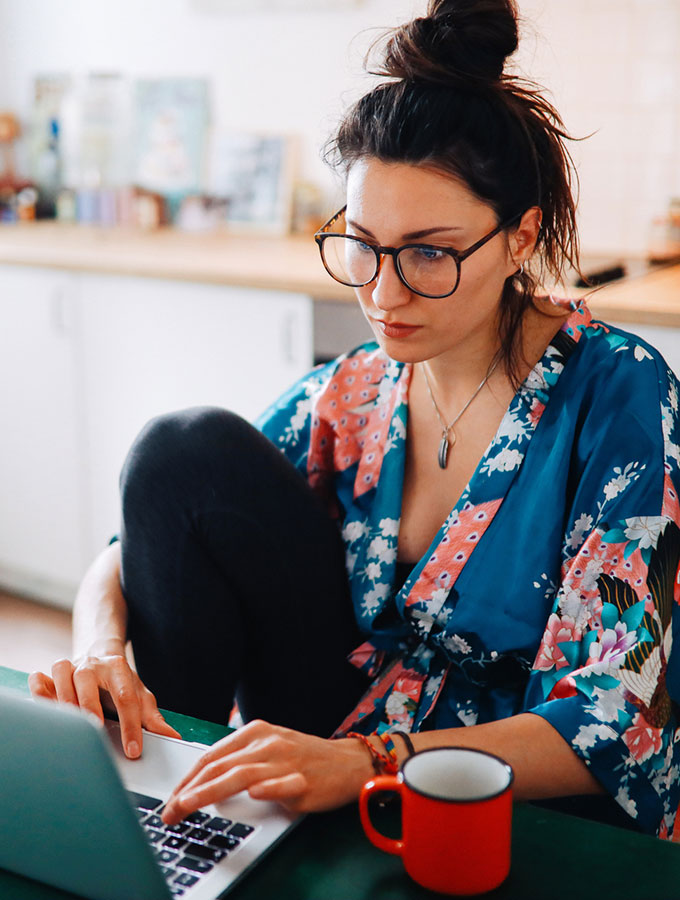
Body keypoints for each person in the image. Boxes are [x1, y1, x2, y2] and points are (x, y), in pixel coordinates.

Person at [30, 0, 680, 839]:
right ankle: (166, 810)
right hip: (347, 728)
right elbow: (134, 548)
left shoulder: (618, 396)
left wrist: (374, 762)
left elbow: (625, 715)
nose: (382, 292)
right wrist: (97, 652)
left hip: (510, 787)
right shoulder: (358, 392)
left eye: (428, 253)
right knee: (180, 451)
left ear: (520, 238)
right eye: (363, 244)